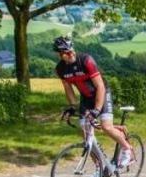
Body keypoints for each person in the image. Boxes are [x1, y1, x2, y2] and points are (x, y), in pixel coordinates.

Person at [53, 36, 133, 168]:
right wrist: (72, 106)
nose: (69, 54)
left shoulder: (86, 60)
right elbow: (68, 88)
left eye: (69, 51)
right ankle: (100, 167)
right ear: (60, 54)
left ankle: (127, 149)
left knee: (106, 127)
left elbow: (100, 86)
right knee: (86, 135)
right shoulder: (60, 69)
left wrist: (97, 110)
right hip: (86, 97)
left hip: (101, 93)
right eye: (63, 53)